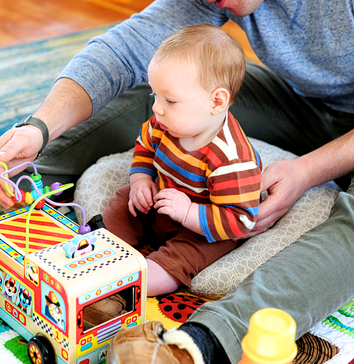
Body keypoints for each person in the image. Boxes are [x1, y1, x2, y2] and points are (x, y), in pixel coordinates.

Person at [0, 0, 354, 364]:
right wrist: (36, 127)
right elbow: (128, 47)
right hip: (311, 109)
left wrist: (305, 172)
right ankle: (14, 182)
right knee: (171, 92)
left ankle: (190, 353)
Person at [102, 24, 261, 296]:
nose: (157, 107)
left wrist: (188, 213)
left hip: (202, 226)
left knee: (188, 253)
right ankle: (102, 249)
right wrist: (141, 181)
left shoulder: (231, 159)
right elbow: (144, 149)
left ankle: (139, 282)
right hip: (161, 201)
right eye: (155, 95)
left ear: (217, 102)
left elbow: (240, 221)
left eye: (170, 100)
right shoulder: (163, 122)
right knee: (124, 200)